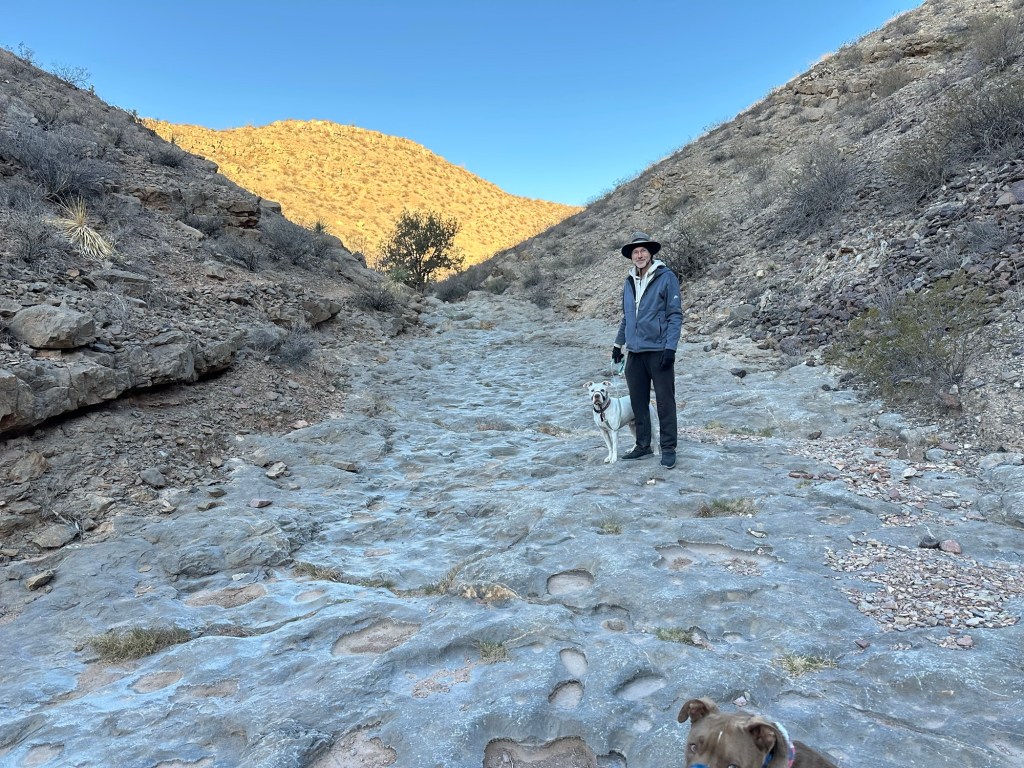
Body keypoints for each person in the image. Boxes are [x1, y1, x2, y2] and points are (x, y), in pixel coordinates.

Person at [611, 232, 682, 468]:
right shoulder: (629, 281)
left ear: (650, 253)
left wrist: (670, 348)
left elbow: (674, 315)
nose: (639, 255)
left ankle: (668, 447)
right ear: (631, 257)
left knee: (664, 401)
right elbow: (627, 316)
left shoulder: (666, 277)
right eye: (635, 252)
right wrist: (618, 344)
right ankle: (643, 445)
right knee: (638, 402)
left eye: (643, 251)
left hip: (659, 350)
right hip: (635, 352)